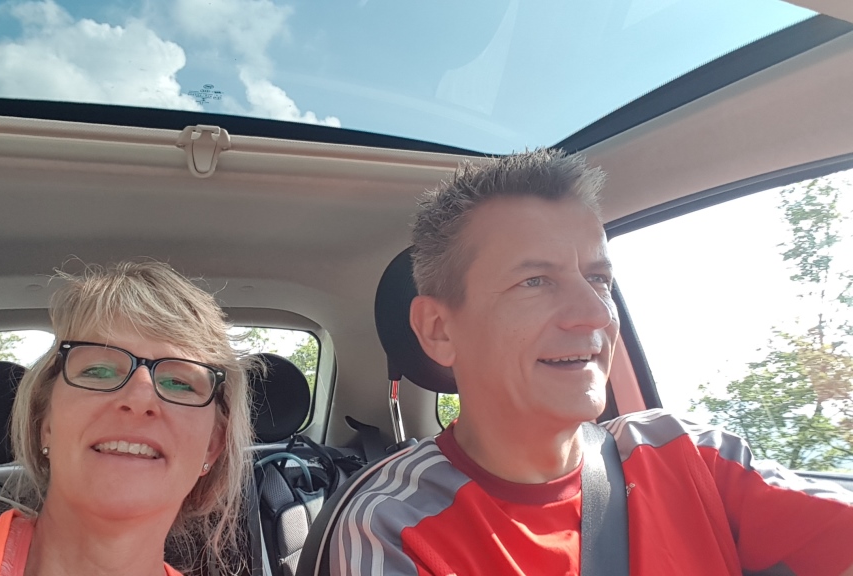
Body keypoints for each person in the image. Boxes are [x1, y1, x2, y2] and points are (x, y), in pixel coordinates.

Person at [329, 149, 853, 575]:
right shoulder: (396, 527)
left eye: (598, 279)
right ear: (440, 330)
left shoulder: (690, 454)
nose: (597, 313)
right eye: (535, 281)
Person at [0, 261, 254, 576]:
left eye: (180, 383)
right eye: (98, 370)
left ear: (212, 446)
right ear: (46, 424)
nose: (139, 396)